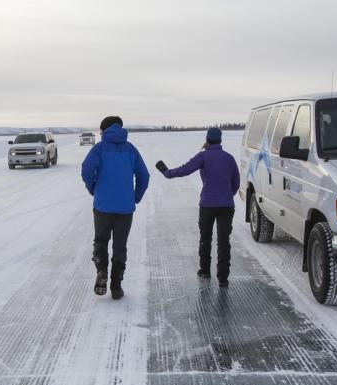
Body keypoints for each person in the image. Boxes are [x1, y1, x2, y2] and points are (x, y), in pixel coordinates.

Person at [155, 127, 240, 286]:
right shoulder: (229, 158)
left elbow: (185, 169)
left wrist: (167, 173)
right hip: (227, 206)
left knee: (205, 238)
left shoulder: (204, 156)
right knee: (223, 241)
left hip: (207, 204)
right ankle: (223, 278)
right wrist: (226, 196)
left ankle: (205, 271)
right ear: (220, 140)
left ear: (207, 139)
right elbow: (236, 183)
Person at [81, 115, 150, 300]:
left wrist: (93, 188)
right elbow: (144, 175)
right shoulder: (131, 149)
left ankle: (101, 270)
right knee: (120, 246)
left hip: (103, 205)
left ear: (103, 130)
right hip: (125, 208)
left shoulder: (99, 148)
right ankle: (117, 286)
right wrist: (135, 196)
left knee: (101, 241)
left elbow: (86, 170)